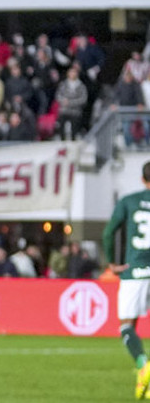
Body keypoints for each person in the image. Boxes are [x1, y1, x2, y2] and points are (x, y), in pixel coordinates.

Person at [103, 161, 150, 398]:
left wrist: (112, 262)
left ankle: (144, 364)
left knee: (126, 326)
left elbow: (109, 232)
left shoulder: (129, 201)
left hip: (136, 272)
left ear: (143, 179)